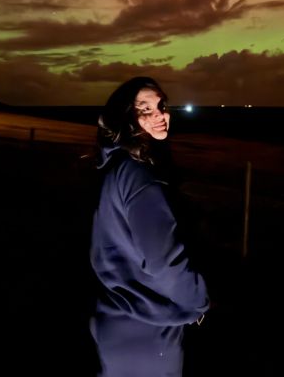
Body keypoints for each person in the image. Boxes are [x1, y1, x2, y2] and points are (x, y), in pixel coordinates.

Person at [89, 76, 209, 377]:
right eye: (145, 109)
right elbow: (164, 260)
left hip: (115, 319)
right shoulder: (139, 177)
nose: (160, 115)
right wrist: (197, 302)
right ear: (125, 117)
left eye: (161, 106)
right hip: (148, 332)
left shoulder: (116, 167)